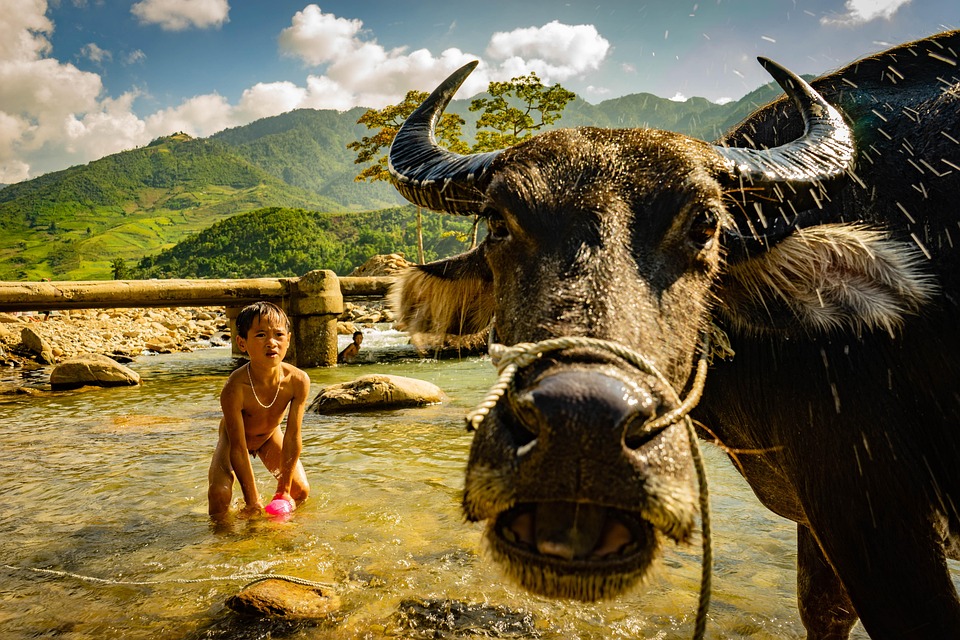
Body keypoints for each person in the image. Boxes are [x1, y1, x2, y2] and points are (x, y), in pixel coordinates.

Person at [207, 301, 311, 517]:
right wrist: (252, 500)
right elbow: (237, 447)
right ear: (242, 343)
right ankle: (222, 543)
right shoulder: (234, 388)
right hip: (234, 439)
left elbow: (293, 436)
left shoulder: (298, 381)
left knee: (299, 491)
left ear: (289, 340)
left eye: (279, 335)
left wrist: (284, 491)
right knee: (219, 494)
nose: (271, 343)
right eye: (261, 335)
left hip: (269, 435)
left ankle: (281, 533)